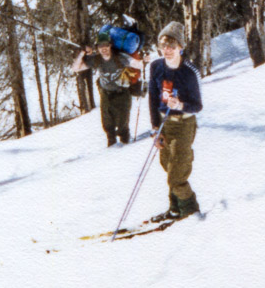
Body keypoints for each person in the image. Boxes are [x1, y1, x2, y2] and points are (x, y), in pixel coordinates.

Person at [148, 21, 202, 221]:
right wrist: (155, 128)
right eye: (163, 45)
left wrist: (180, 105)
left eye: (172, 45)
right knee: (168, 165)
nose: (167, 50)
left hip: (183, 124)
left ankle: (191, 211)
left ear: (180, 46)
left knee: (177, 175)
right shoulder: (156, 67)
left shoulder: (189, 71)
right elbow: (153, 98)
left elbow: (197, 106)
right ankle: (175, 209)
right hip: (165, 123)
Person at [72, 29, 145, 147]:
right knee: (107, 124)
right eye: (100, 46)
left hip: (122, 94)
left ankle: (126, 146)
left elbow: (138, 64)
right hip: (106, 94)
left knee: (122, 125)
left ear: (110, 45)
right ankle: (111, 149)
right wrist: (82, 53)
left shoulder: (119, 57)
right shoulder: (96, 59)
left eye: (106, 45)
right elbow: (76, 68)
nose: (103, 48)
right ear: (97, 47)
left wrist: (144, 60)